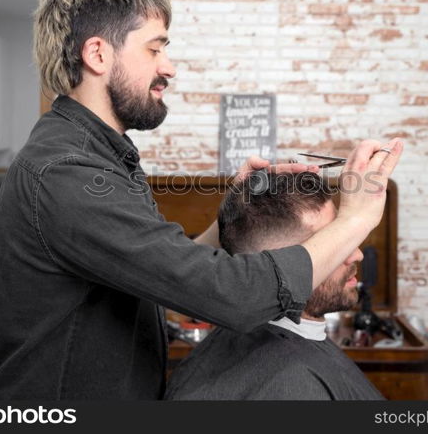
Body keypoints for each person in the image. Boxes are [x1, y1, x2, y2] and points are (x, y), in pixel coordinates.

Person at [0, 0, 403, 399]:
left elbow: (162, 274)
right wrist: (355, 219)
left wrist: (228, 221)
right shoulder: (65, 176)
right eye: (154, 48)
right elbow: (231, 297)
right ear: (98, 53)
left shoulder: (100, 159)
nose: (169, 67)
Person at [165, 171, 384, 400]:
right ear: (278, 265)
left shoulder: (240, 346)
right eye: (331, 242)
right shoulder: (291, 388)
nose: (357, 255)